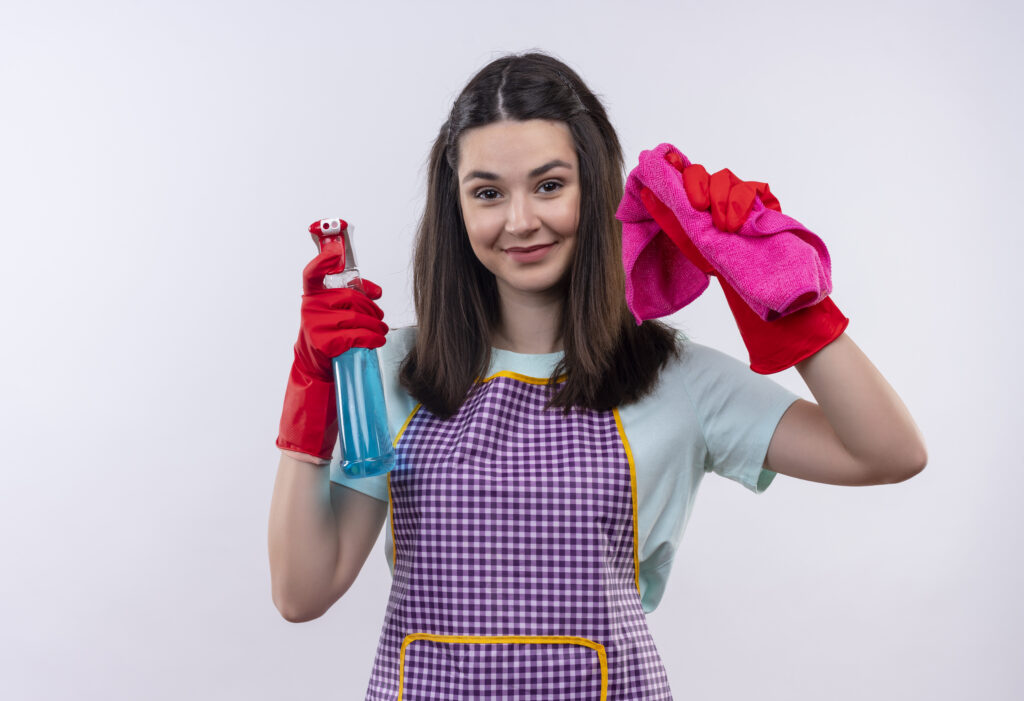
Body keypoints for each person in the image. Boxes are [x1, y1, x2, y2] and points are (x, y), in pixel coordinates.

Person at [268, 51, 927, 700]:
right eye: (488, 193)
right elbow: (303, 590)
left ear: (595, 183)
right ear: (456, 208)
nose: (521, 220)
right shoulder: (395, 371)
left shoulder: (678, 380)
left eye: (550, 185)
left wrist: (787, 296)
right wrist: (310, 395)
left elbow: (888, 452)